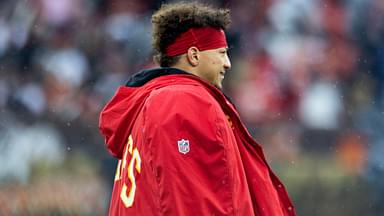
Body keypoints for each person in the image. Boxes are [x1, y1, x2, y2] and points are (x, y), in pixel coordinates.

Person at [99, 2, 296, 215]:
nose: (227, 63)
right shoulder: (181, 99)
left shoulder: (156, 100)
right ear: (194, 56)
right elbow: (188, 200)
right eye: (221, 53)